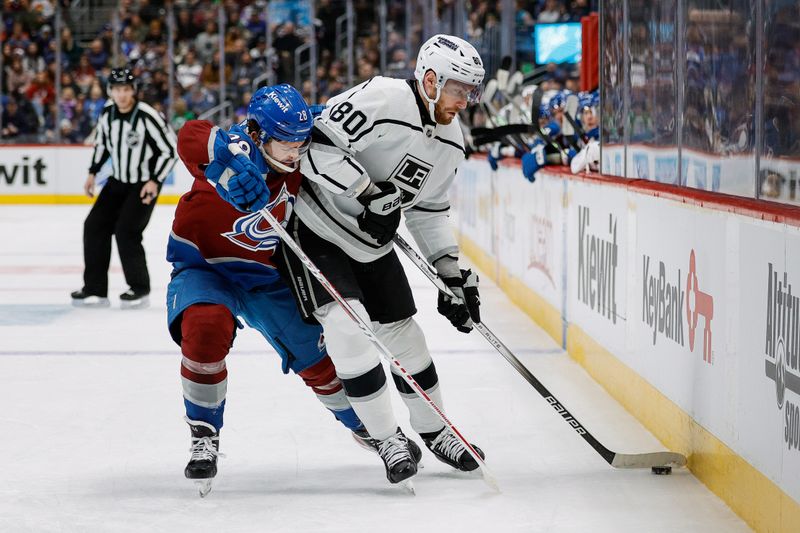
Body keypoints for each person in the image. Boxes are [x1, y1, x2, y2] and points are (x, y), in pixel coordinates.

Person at [271, 34, 487, 484]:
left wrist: (451, 273)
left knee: (406, 338)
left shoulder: (451, 142)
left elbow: (428, 211)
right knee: (348, 327)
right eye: (459, 89)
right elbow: (313, 147)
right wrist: (368, 193)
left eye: (471, 91)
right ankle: (387, 439)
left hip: (374, 243)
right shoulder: (381, 97)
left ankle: (436, 429)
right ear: (431, 80)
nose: (465, 100)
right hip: (318, 229)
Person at [168, 84, 365, 493]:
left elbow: (333, 116)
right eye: (287, 143)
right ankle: (204, 434)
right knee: (206, 327)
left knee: (313, 351)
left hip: (261, 276)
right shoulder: (236, 147)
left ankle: (367, 425)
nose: (296, 151)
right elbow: (190, 135)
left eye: (301, 142)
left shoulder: (298, 144)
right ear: (258, 133)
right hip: (204, 268)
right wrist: (224, 169)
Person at [71, 67, 177, 309]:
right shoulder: (107, 112)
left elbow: (170, 150)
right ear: (110, 91)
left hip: (143, 184)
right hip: (117, 181)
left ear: (134, 91)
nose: (121, 95)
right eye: (117, 89)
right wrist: (92, 173)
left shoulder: (147, 115)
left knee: (126, 231)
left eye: (126, 89)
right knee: (94, 225)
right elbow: (102, 144)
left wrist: (154, 180)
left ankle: (139, 288)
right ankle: (95, 288)